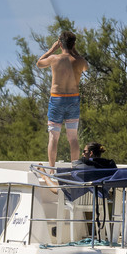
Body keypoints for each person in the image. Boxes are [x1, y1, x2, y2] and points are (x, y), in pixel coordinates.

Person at [35, 30, 88, 168]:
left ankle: (52, 170)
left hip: (57, 99)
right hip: (73, 100)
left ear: (60, 44)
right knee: (73, 137)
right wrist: (74, 51)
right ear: (73, 44)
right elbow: (86, 68)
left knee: (53, 137)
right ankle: (74, 169)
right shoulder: (79, 61)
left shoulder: (54, 58)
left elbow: (39, 63)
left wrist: (52, 49)